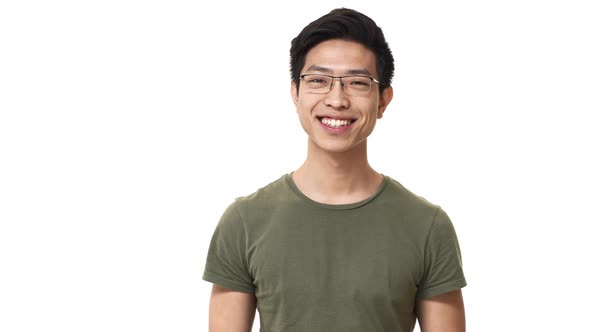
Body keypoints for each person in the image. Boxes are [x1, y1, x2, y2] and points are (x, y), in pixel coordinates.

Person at [203, 8, 467, 332]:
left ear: (383, 100)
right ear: (295, 94)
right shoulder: (244, 222)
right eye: (318, 80)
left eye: (357, 82)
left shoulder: (428, 226)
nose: (337, 100)